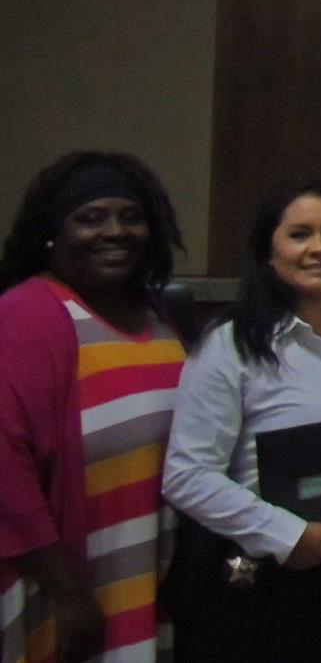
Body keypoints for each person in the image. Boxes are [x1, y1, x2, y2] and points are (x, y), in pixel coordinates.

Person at [163, 181, 321, 660]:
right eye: (300, 234)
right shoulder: (231, 344)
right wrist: (287, 535)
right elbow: (187, 476)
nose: (319, 248)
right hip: (259, 581)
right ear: (268, 254)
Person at [0, 153, 188, 663]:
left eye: (131, 216)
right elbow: (6, 469)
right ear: (51, 233)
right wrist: (68, 594)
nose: (115, 231)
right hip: (55, 587)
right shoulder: (29, 313)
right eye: (90, 218)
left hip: (141, 573)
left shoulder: (161, 319)